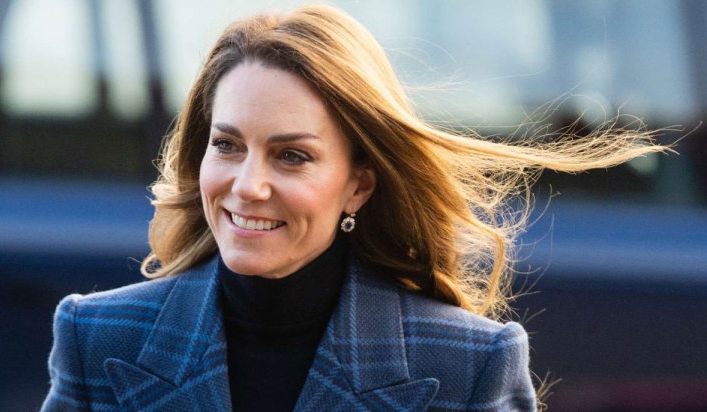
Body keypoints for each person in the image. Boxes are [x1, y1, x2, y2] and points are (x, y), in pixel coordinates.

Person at [42, 5, 666, 411]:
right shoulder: (96, 337)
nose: (248, 186)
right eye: (227, 145)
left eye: (292, 157)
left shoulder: (468, 366)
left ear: (358, 186)